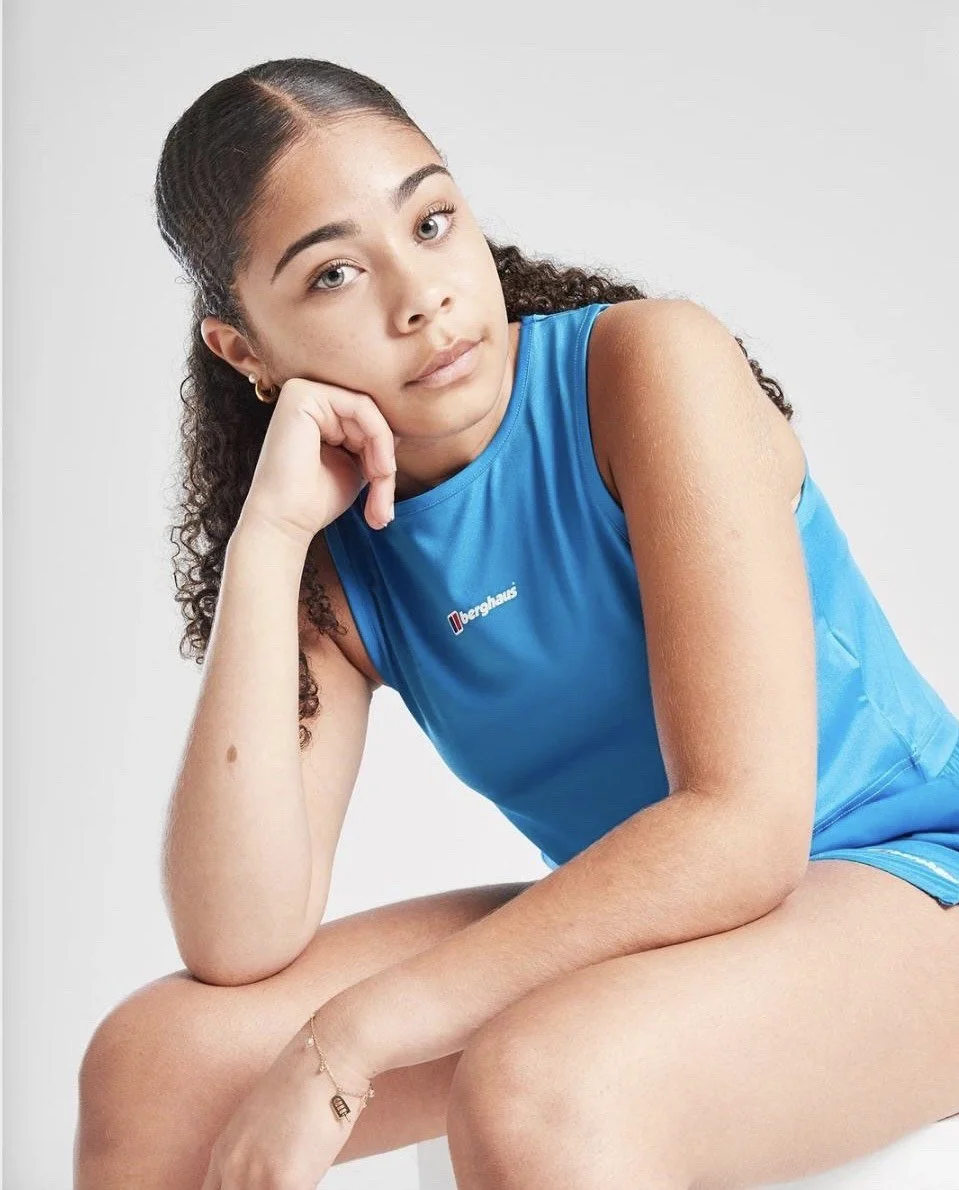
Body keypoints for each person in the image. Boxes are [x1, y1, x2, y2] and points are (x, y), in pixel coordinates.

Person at [75, 56, 959, 1190]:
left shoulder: (646, 363)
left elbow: (742, 829)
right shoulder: (338, 549)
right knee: (153, 1065)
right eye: (335, 273)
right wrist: (267, 542)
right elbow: (237, 936)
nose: (421, 296)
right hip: (665, 923)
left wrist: (348, 1038)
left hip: (904, 883)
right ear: (244, 350)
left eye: (432, 221)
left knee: (535, 1086)